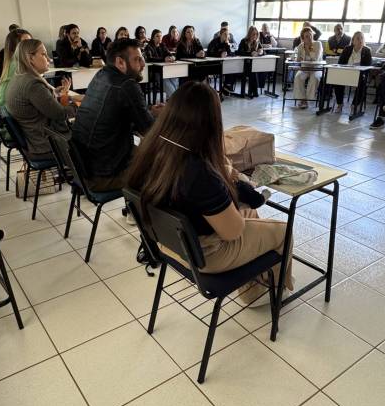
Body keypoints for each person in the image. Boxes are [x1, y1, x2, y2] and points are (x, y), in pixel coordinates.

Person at [125, 81, 293, 307]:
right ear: (211, 124)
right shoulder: (198, 172)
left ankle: (254, 286)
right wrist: (231, 186)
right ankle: (270, 291)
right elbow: (234, 231)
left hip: (167, 243)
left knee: (250, 213)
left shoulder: (151, 149)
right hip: (203, 254)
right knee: (283, 230)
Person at [73, 38, 158, 191]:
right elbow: (150, 131)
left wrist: (149, 111)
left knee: (142, 151)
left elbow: (118, 113)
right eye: (137, 59)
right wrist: (166, 115)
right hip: (103, 176)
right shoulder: (127, 85)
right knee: (165, 170)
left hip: (84, 168)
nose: (143, 64)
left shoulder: (101, 74)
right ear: (120, 62)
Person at [3, 38, 76, 160]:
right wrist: (79, 105)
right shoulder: (33, 84)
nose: (49, 59)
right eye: (43, 54)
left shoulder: (19, 77)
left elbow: (41, 103)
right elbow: (61, 114)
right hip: (46, 145)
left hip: (34, 140)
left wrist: (53, 93)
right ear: (30, 58)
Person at [332, 31, 372, 113]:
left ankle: (354, 105)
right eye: (358, 38)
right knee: (337, 81)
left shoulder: (367, 50)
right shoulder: (347, 49)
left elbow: (368, 65)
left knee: (362, 83)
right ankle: (340, 104)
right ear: (353, 40)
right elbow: (340, 62)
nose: (360, 40)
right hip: (346, 73)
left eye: (362, 38)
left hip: (360, 74)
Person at [0, 27, 32, 112]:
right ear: (15, 46)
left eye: (31, 41)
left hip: (5, 105)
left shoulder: (13, 60)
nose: (31, 45)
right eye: (25, 42)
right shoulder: (18, 63)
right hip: (7, 108)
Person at [291, 26, 324, 109]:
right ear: (303, 38)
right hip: (304, 68)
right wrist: (297, 58)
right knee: (298, 77)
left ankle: (308, 100)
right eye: (306, 36)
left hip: (316, 68)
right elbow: (298, 60)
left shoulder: (318, 44)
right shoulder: (300, 46)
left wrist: (308, 49)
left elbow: (315, 59)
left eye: (310, 35)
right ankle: (302, 99)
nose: (309, 37)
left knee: (314, 78)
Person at [237, 25, 266, 98]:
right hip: (243, 65)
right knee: (253, 71)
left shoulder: (257, 42)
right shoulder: (244, 41)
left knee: (260, 71)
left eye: (256, 34)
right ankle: (254, 92)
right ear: (249, 34)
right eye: (253, 34)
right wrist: (250, 53)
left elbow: (264, 52)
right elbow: (239, 52)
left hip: (254, 65)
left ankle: (253, 91)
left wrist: (261, 52)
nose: (255, 36)